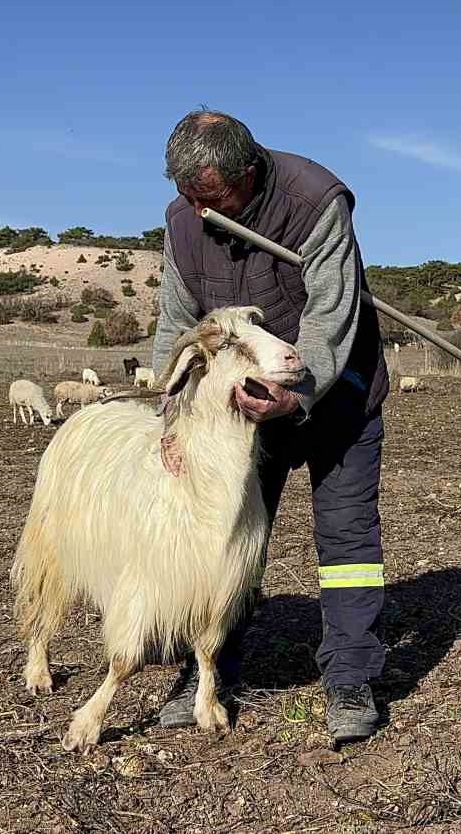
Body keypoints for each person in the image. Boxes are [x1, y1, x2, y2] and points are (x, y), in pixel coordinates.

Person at [149, 108, 390, 743]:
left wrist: (298, 396)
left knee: (346, 542)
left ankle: (350, 677)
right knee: (227, 536)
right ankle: (208, 669)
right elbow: (177, 323)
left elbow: (332, 314)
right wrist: (169, 418)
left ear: (248, 172)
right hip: (245, 409)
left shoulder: (315, 201)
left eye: (213, 196)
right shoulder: (183, 223)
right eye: (187, 196)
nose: (200, 209)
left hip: (337, 394)